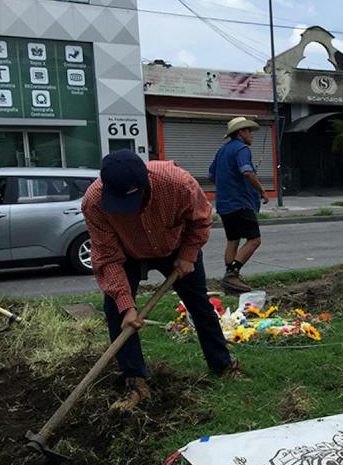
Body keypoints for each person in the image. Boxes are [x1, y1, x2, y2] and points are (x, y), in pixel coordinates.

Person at [82, 150, 239, 411]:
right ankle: (135, 381)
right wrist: (127, 305)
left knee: (199, 303)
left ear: (145, 185)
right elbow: (107, 257)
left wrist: (188, 255)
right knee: (116, 312)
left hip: (176, 246)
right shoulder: (94, 203)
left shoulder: (178, 184)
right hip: (127, 252)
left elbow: (201, 220)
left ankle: (222, 365)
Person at [209, 116, 269, 294]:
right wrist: (262, 190)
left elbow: (211, 174)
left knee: (233, 240)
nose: (251, 135)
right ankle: (232, 274)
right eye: (249, 131)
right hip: (240, 202)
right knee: (254, 240)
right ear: (241, 132)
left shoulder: (222, 150)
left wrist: (227, 183)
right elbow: (247, 172)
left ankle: (230, 281)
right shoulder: (242, 149)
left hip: (224, 203)